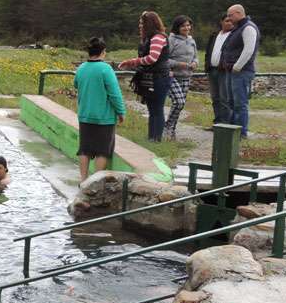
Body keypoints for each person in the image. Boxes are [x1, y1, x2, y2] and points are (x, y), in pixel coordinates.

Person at [76, 37, 126, 182]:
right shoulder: (106, 69)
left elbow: (76, 84)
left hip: (85, 115)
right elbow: (114, 94)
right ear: (103, 52)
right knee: (102, 151)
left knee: (84, 149)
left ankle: (83, 179)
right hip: (104, 118)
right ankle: (95, 182)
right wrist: (121, 111)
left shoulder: (81, 68)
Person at [118, 11, 170, 142]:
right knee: (152, 108)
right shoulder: (147, 38)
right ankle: (151, 137)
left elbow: (152, 58)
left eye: (142, 23)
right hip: (149, 77)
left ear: (150, 24)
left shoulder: (158, 37)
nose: (140, 26)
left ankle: (156, 138)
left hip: (159, 77)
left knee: (157, 109)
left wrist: (132, 62)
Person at [220, 3, 261, 138]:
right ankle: (232, 131)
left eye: (230, 15)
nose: (228, 18)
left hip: (241, 72)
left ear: (238, 13)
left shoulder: (248, 28)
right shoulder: (238, 28)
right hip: (232, 71)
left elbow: (249, 50)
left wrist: (237, 66)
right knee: (231, 102)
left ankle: (241, 133)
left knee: (239, 104)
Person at [165, 15, 198, 140]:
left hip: (186, 76)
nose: (187, 27)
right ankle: (167, 126)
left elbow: (195, 56)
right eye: (183, 25)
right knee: (179, 101)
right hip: (172, 76)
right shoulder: (171, 40)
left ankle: (171, 130)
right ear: (177, 27)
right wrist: (179, 64)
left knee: (179, 105)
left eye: (188, 25)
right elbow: (164, 60)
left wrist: (195, 63)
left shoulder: (191, 40)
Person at [204, 15, 235, 125]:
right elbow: (208, 51)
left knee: (224, 98)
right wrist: (207, 65)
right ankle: (217, 123)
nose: (230, 23)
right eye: (227, 21)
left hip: (224, 71)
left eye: (231, 21)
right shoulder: (214, 35)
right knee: (215, 98)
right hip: (212, 70)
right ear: (221, 22)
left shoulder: (233, 35)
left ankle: (225, 124)